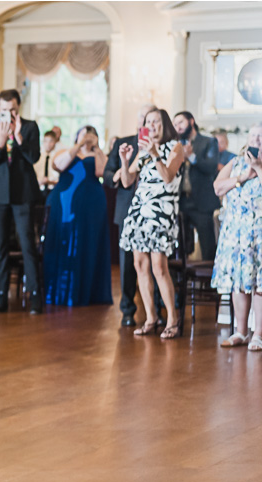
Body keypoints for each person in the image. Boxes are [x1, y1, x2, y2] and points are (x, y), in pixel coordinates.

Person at [212, 122, 262, 352]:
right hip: (236, 233)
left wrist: (259, 169)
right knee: (239, 282)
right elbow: (217, 188)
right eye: (253, 135)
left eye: (261, 136)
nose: (256, 139)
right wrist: (243, 177)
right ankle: (240, 331)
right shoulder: (235, 163)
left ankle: (258, 334)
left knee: (261, 283)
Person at [118, 108, 185, 339]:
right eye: (148, 122)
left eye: (156, 121)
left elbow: (168, 178)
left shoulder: (176, 147)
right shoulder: (143, 150)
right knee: (140, 264)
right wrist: (125, 161)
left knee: (159, 266)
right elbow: (127, 182)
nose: (152, 125)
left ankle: (173, 320)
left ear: (165, 124)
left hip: (161, 212)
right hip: (139, 212)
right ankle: (151, 317)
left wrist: (155, 153)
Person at [0, 89, 43, 314]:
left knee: (28, 245)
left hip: (23, 194)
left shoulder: (30, 127)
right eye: (5, 110)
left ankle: (35, 297)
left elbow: (33, 157)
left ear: (19, 108)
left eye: (13, 110)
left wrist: (18, 137)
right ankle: (2, 298)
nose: (9, 114)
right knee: (1, 247)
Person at [42, 126, 112, 307]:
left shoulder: (97, 154)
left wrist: (96, 149)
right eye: (84, 134)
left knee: (88, 242)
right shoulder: (65, 151)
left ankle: (89, 291)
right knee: (64, 242)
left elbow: (102, 172)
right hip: (66, 203)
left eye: (91, 135)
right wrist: (79, 145)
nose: (87, 138)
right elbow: (59, 165)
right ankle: (61, 291)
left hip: (92, 204)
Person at [104, 104, 157, 327]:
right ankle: (127, 310)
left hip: (152, 212)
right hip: (127, 210)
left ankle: (157, 309)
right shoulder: (123, 143)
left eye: (150, 119)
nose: (145, 122)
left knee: (154, 265)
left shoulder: (161, 145)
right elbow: (107, 174)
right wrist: (118, 173)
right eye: (142, 118)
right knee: (127, 265)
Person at [173, 111, 220, 260]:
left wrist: (192, 157)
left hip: (202, 202)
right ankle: (181, 280)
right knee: (180, 246)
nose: (177, 127)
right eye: (175, 124)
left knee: (207, 246)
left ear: (191, 121)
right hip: (181, 201)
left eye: (180, 122)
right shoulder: (175, 145)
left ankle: (208, 281)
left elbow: (211, 167)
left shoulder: (208, 142)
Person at [33, 130, 60, 195]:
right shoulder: (37, 157)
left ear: (55, 142)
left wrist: (49, 181)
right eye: (45, 141)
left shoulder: (58, 158)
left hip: (53, 190)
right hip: (38, 189)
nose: (48, 144)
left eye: (51, 141)